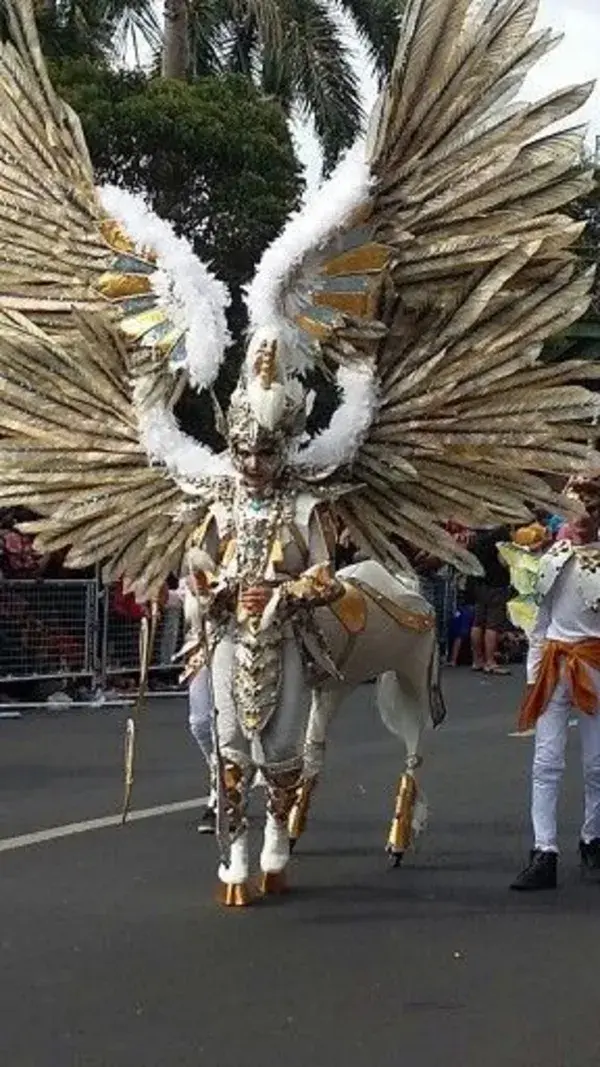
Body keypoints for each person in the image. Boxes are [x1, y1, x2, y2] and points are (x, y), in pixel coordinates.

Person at [511, 476, 600, 891]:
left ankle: (592, 837)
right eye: (576, 512)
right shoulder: (552, 559)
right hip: (554, 667)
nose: (583, 520)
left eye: (592, 512)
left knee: (596, 764)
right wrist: (534, 679)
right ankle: (543, 850)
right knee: (546, 762)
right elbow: (539, 625)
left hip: (595, 667)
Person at [469, 526, 512, 675]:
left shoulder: (477, 533)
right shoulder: (501, 532)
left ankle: (477, 660)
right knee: (493, 624)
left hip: (479, 581)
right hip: (497, 582)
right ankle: (490, 662)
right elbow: (505, 560)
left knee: (478, 621)